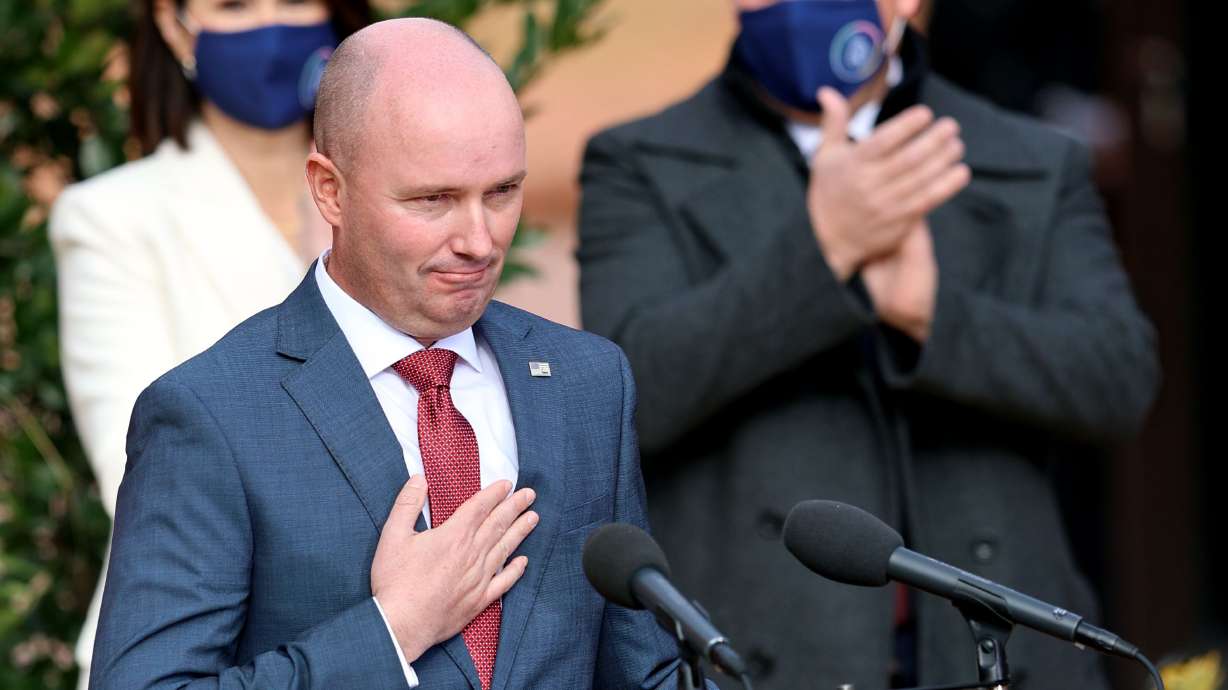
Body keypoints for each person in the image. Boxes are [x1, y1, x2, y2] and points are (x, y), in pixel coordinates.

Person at [90, 18, 696, 690]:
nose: (479, 240)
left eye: (502, 192)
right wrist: (393, 631)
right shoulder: (211, 414)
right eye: (433, 199)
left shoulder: (588, 382)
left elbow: (642, 673)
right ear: (330, 190)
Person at [576, 0, 1159, 688]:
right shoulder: (638, 160)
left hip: (1000, 651)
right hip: (758, 654)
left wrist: (931, 316)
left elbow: (1119, 380)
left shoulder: (1030, 156)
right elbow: (625, 397)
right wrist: (824, 254)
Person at [49, 1, 369, 684]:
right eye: (234, 5)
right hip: (200, 649)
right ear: (174, 26)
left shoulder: (411, 197)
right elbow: (142, 470)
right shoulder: (111, 219)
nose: (271, 26)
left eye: (294, 0)